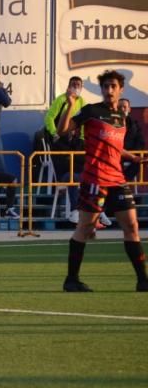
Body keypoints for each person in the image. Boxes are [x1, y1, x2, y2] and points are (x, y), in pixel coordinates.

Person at [61, 69, 148, 293]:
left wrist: (133, 157)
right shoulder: (91, 111)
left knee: (131, 225)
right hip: (95, 179)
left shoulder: (122, 117)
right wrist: (70, 104)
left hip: (117, 178)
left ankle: (143, 280)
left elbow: (116, 149)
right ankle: (71, 280)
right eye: (105, 87)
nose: (109, 90)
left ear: (121, 89)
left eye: (113, 86)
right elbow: (62, 131)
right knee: (86, 227)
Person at [43, 75, 86, 223]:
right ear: (68, 86)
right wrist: (55, 133)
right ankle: (74, 210)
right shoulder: (61, 100)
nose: (76, 86)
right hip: (60, 141)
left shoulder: (82, 102)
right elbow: (49, 117)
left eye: (78, 84)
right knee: (70, 175)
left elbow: (84, 124)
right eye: (73, 84)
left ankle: (98, 212)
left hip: (76, 143)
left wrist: (81, 138)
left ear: (81, 87)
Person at [118, 98, 146, 184]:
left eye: (125, 107)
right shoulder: (111, 123)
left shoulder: (134, 124)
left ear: (129, 109)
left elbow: (140, 140)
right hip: (117, 154)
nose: (122, 109)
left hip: (131, 153)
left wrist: (134, 154)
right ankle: (120, 183)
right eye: (120, 107)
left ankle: (122, 182)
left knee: (141, 160)